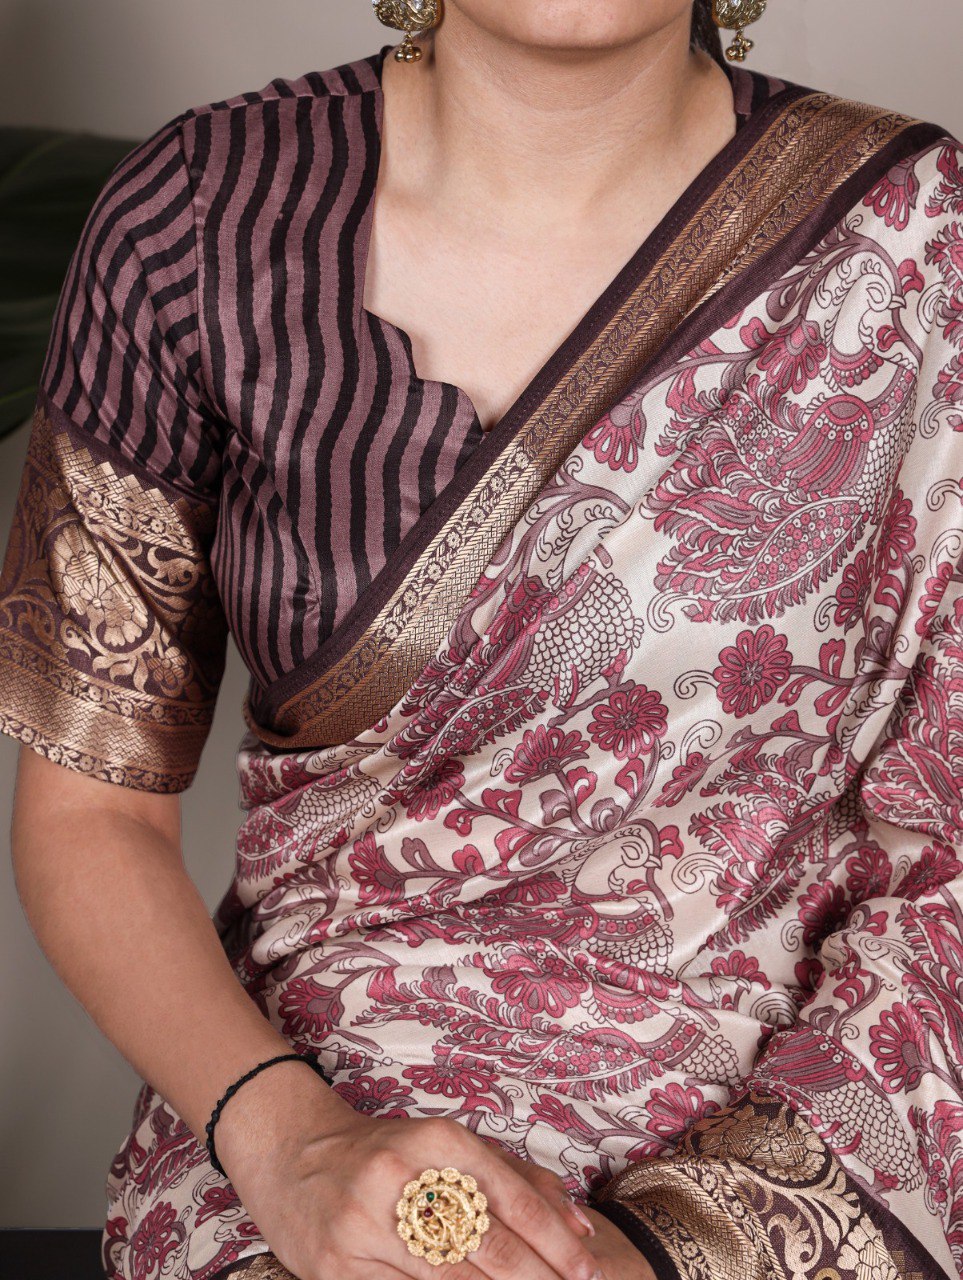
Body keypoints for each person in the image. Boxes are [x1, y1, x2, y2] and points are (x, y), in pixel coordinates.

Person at [1, 0, 961, 1277]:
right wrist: (293, 1146)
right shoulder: (197, 225)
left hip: (778, 1139)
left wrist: (666, 1248)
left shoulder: (918, 247)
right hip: (308, 1108)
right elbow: (89, 814)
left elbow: (950, 858)